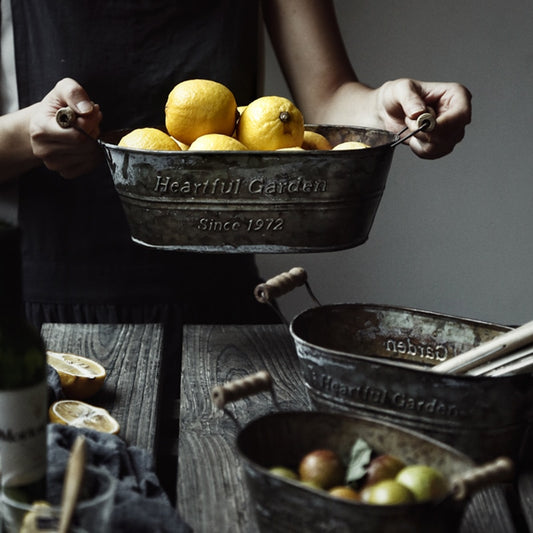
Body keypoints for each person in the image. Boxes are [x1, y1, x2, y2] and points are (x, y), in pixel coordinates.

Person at [0, 0, 472, 332]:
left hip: (222, 302)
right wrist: (25, 136)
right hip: (46, 312)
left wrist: (384, 110)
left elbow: (326, 100)